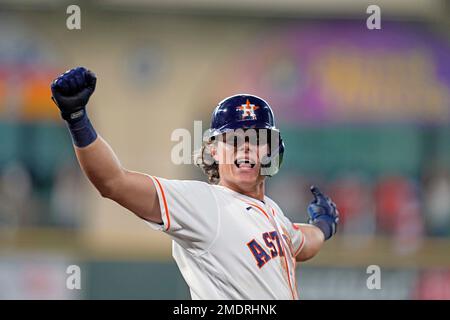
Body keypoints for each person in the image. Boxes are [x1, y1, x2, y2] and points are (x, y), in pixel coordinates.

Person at [50, 67, 339, 300]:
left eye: (257, 140)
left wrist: (324, 226)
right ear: (214, 150)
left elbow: (300, 243)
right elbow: (113, 182)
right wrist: (77, 119)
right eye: (233, 140)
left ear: (271, 151)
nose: (246, 149)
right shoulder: (204, 203)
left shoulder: (274, 213)